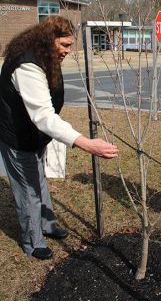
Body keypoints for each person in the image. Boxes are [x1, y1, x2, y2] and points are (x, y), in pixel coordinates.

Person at [0, 16, 118, 260]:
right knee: (28, 189)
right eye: (64, 44)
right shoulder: (27, 65)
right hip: (18, 136)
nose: (68, 50)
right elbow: (43, 115)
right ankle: (33, 242)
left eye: (70, 44)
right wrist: (85, 143)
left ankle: (47, 224)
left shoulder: (46, 56)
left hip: (34, 135)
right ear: (48, 39)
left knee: (39, 179)